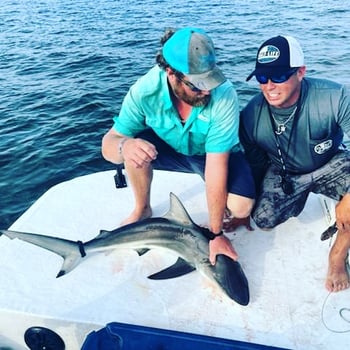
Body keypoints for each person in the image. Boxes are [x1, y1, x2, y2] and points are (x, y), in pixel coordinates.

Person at [102, 27, 256, 265]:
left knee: (242, 207)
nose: (206, 90)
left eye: (209, 81)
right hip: (169, 148)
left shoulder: (224, 95)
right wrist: (125, 146)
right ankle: (142, 208)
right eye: (196, 85)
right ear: (170, 72)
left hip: (210, 154)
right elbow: (108, 145)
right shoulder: (143, 91)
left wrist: (215, 234)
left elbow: (216, 165)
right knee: (134, 149)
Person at [239, 35, 350, 292]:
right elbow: (255, 166)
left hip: (332, 162)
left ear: (301, 72)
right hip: (284, 172)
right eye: (262, 78)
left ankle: (337, 255)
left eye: (278, 77)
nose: (269, 86)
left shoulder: (335, 97)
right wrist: (242, 209)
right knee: (263, 220)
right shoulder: (250, 116)